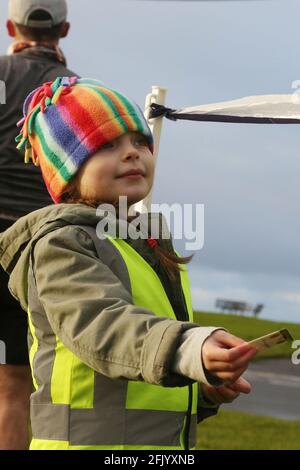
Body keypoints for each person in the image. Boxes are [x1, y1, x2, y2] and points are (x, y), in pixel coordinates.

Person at [0, 77, 257, 450]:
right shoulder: (62, 244)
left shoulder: (150, 244)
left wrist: (202, 390)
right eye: (106, 145)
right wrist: (187, 348)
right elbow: (103, 325)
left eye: (140, 141)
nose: (133, 153)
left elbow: (143, 370)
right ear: (68, 174)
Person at [0, 0, 77, 450]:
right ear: (64, 29)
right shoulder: (75, 93)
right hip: (32, 250)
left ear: (11, 25)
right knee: (14, 388)